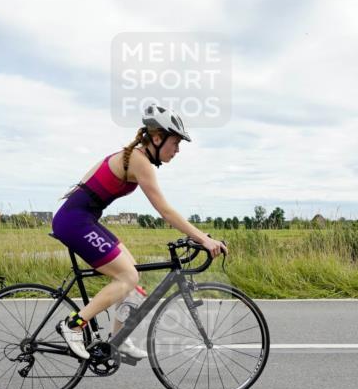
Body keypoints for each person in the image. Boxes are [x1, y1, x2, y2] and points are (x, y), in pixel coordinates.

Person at [50, 104, 228, 360]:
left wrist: (198, 235)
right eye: (175, 143)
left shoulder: (130, 155)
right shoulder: (138, 161)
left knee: (133, 277)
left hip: (82, 219)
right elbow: (164, 210)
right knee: (127, 277)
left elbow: (85, 183)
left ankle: (118, 340)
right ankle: (73, 325)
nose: (177, 150)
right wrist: (201, 237)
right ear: (157, 138)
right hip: (75, 222)